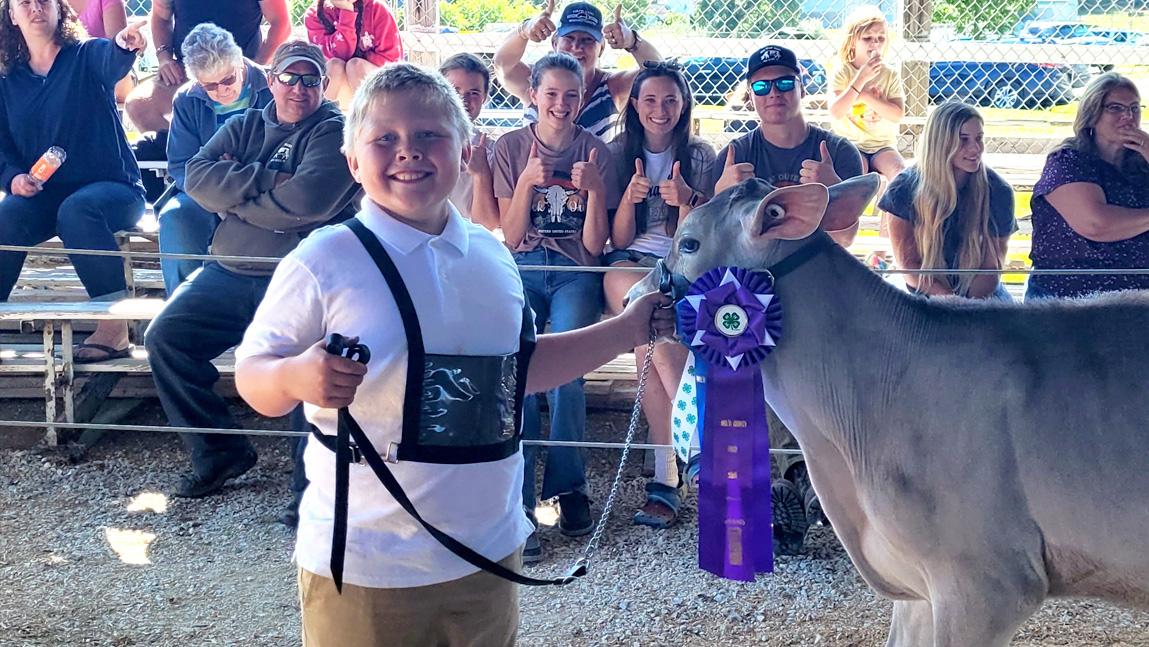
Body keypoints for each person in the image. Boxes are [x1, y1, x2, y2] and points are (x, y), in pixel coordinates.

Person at [232, 62, 673, 647]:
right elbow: (252, 376)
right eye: (384, 139)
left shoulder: (494, 260)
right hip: (369, 563)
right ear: (352, 161)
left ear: (465, 149)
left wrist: (626, 329)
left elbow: (522, 372)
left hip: (487, 553)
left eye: (429, 136)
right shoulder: (324, 261)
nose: (408, 152)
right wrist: (296, 375)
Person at [144, 40, 361, 499]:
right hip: (228, 270)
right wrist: (269, 182)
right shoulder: (246, 124)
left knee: (313, 366)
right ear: (270, 80)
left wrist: (237, 195)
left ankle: (311, 491)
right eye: (288, 77)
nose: (298, 88)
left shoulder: (334, 132)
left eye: (309, 79)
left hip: (297, 278)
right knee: (166, 338)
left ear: (324, 84)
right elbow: (198, 179)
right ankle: (219, 453)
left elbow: (307, 203)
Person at [492, 52, 619, 563]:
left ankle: (570, 487)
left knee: (569, 374)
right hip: (522, 268)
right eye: (551, 94)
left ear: (582, 97)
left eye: (571, 95)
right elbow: (514, 234)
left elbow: (593, 247)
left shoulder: (596, 153)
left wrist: (590, 193)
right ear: (534, 96)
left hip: (573, 271)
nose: (561, 104)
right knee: (519, 372)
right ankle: (519, 504)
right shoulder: (511, 147)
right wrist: (526, 181)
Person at [0, 0, 147, 363]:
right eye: (24, 3)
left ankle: (114, 328)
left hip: (114, 188)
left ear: (60, 10)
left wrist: (125, 44)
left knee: (78, 211)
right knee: (8, 216)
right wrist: (13, 177)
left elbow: (112, 57)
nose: (35, 8)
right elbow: (2, 146)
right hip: (46, 193)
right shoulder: (8, 80)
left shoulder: (85, 55)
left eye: (43, 1)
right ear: (11, 16)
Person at [604, 61, 714, 528]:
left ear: (684, 104)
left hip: (684, 266)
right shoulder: (615, 152)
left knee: (647, 342)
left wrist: (687, 199)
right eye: (649, 99)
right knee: (647, 313)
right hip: (630, 266)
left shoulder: (703, 155)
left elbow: (706, 236)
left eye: (670, 99)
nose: (660, 109)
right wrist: (629, 199)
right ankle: (700, 449)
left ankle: (666, 481)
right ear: (634, 104)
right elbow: (618, 240)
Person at [710, 44, 865, 247]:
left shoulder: (839, 153)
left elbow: (846, 240)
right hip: (754, 272)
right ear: (750, 96)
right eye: (761, 87)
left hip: (816, 266)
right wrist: (721, 198)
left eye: (784, 83)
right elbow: (718, 243)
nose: (773, 92)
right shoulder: (734, 157)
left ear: (802, 89)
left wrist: (833, 192)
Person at [160, 22, 273, 295]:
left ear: (239, 63)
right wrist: (216, 190)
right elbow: (181, 165)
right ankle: (182, 308)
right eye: (210, 85)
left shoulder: (272, 88)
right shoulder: (187, 99)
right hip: (204, 191)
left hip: (263, 186)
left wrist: (238, 176)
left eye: (228, 80)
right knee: (176, 218)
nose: (222, 91)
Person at [1027, 72, 1149, 299]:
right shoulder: (1068, 161)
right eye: (1115, 108)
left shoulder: (1141, 164)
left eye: (1134, 108)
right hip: (1071, 298)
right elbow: (1097, 224)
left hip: (1138, 295)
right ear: (1092, 115)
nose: (1128, 116)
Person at [879, 102, 1016, 299]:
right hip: (921, 289)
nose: (975, 148)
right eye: (963, 140)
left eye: (979, 138)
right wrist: (949, 300)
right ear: (940, 143)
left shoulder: (998, 190)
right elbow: (908, 266)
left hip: (978, 294)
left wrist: (966, 307)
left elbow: (991, 267)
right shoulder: (904, 189)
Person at [494, 1, 663, 140]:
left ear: (601, 48)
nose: (576, 47)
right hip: (533, 176)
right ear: (555, 43)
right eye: (569, 38)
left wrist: (633, 42)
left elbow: (660, 74)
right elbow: (502, 64)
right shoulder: (537, 79)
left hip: (594, 177)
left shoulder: (611, 88)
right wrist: (524, 30)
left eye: (587, 40)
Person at [124, 0, 290, 133]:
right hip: (189, 73)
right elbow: (161, 17)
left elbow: (281, 24)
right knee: (139, 105)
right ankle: (193, 158)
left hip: (238, 74)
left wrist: (255, 67)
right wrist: (164, 58)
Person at [305, 0, 403, 109]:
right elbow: (336, 56)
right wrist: (347, 12)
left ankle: (372, 122)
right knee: (335, 66)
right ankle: (321, 121)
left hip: (381, 92)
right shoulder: (315, 14)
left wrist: (356, 63)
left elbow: (392, 64)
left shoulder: (377, 8)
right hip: (339, 90)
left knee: (355, 66)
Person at [439, 52, 499, 230]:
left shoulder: (489, 150)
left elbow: (486, 225)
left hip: (467, 239)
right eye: (454, 90)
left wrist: (481, 174)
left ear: (484, 97)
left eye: (473, 93)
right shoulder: (415, 141)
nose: (463, 100)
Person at [65, 0, 135, 101]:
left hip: (103, 70)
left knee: (119, 81)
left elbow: (117, 54)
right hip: (63, 72)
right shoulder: (43, 5)